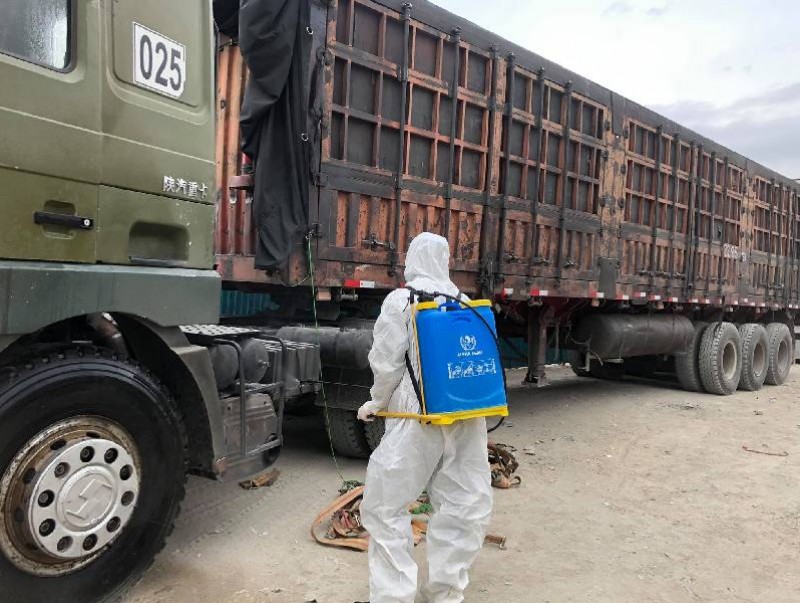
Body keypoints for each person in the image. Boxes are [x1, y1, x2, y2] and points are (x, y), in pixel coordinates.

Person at [358, 232, 493, 603]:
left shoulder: (402, 300)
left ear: (412, 260)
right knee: (462, 504)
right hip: (466, 415)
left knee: (385, 504)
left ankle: (394, 596)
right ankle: (445, 593)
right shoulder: (466, 302)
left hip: (417, 415)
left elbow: (386, 362)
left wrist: (375, 402)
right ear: (445, 261)